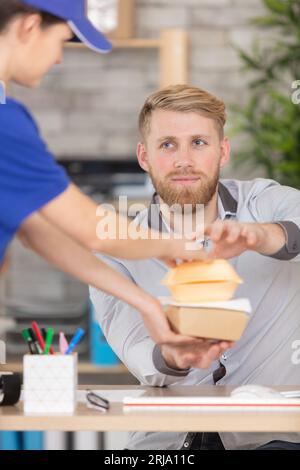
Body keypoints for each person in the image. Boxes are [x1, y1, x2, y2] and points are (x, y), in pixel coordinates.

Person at [90, 84, 300, 450]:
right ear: (144, 156)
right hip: (168, 440)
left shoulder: (266, 201)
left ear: (223, 151)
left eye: (199, 143)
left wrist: (261, 237)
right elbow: (138, 350)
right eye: (167, 144)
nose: (183, 160)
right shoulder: (116, 248)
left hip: (273, 436)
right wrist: (175, 354)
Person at [0, 0, 206, 347]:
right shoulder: (6, 123)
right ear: (29, 27)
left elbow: (37, 231)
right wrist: (180, 245)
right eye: (62, 40)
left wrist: (145, 302)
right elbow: (94, 231)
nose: (59, 58)